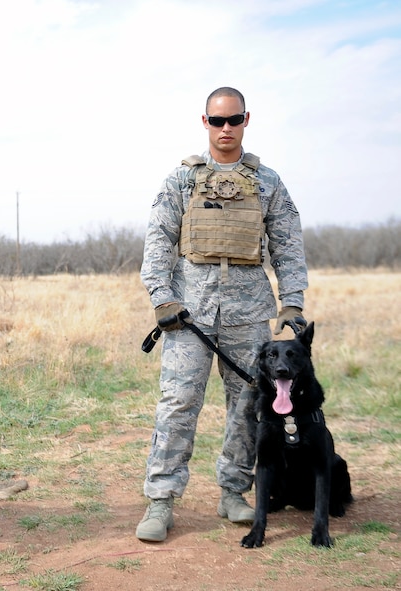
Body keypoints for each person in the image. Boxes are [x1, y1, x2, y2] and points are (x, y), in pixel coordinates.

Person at [136, 87, 308, 542]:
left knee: (248, 406)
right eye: (217, 121)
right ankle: (161, 501)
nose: (226, 128)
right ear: (205, 123)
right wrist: (162, 297)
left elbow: (288, 242)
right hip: (189, 312)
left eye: (233, 120)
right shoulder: (182, 180)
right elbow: (158, 238)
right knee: (177, 403)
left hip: (250, 312)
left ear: (246, 120)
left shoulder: (267, 181)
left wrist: (292, 301)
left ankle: (234, 491)